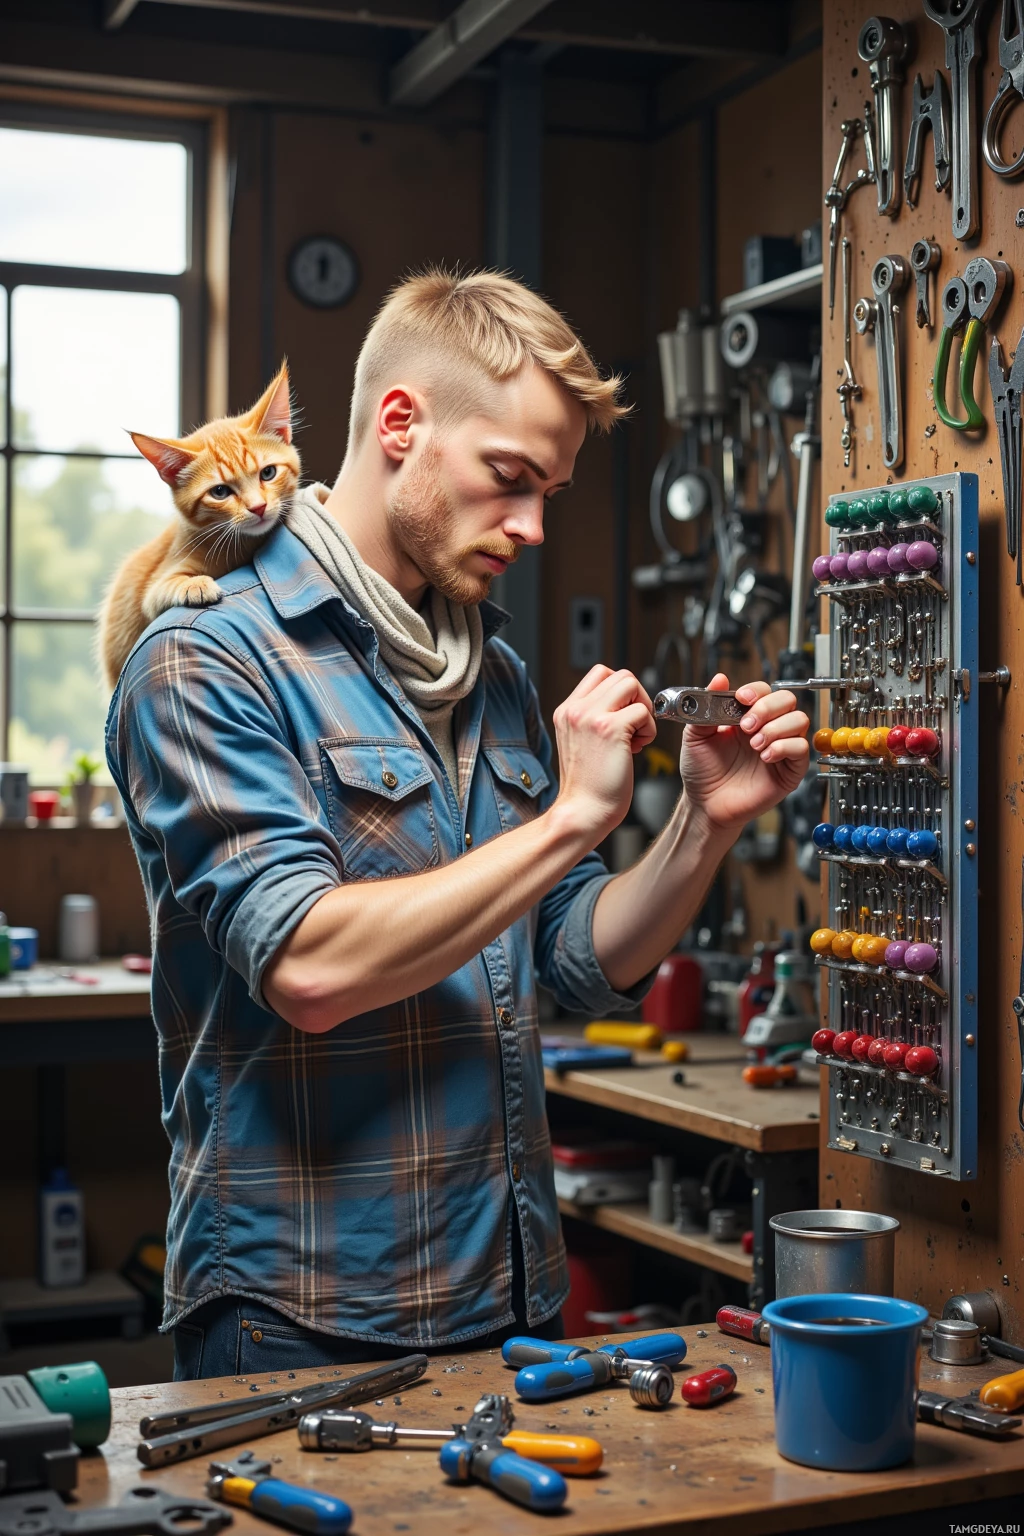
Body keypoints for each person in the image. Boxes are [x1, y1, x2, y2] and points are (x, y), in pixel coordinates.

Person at [106, 269, 809, 1380]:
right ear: (399, 426)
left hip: (512, 1287)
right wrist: (575, 814)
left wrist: (699, 830)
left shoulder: (489, 675)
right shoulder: (207, 658)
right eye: (509, 479)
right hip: (303, 1314)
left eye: (550, 492)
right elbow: (309, 967)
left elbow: (574, 958)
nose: (530, 527)